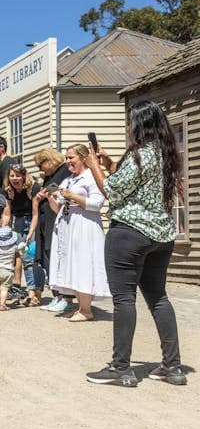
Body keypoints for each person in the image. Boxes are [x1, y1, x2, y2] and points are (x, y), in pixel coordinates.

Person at [85, 101, 186, 387]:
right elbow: (138, 184)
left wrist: (93, 165)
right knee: (158, 298)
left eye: (131, 122)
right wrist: (110, 164)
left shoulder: (139, 154)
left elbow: (113, 192)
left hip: (129, 234)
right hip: (160, 236)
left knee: (124, 299)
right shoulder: (166, 155)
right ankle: (172, 366)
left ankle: (121, 368)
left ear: (139, 125)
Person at [39, 144, 109, 322]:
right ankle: (81, 306)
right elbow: (58, 208)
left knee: (82, 263)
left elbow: (97, 204)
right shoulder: (68, 179)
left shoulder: (91, 177)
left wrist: (73, 196)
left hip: (84, 225)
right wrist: (50, 197)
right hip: (67, 225)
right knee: (72, 264)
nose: (68, 161)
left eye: (71, 158)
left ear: (83, 158)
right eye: (67, 158)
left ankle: (86, 309)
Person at [32, 149, 73, 312]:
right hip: (44, 221)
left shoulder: (64, 171)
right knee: (47, 258)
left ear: (50, 160)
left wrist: (48, 192)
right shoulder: (49, 176)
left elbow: (62, 191)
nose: (41, 169)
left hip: (55, 219)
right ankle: (57, 295)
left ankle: (66, 298)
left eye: (42, 165)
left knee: (57, 258)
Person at [0, 164, 45, 306]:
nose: (15, 178)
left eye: (18, 175)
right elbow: (7, 213)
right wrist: (2, 231)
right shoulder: (8, 191)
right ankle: (32, 293)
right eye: (12, 175)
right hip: (18, 223)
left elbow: (36, 213)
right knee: (26, 259)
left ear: (24, 176)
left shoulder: (33, 188)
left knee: (34, 258)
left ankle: (36, 292)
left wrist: (31, 232)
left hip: (34, 222)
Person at [0, 226, 27, 311]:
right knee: (4, 289)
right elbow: (20, 249)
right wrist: (23, 246)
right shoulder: (13, 248)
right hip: (7, 271)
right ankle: (2, 304)